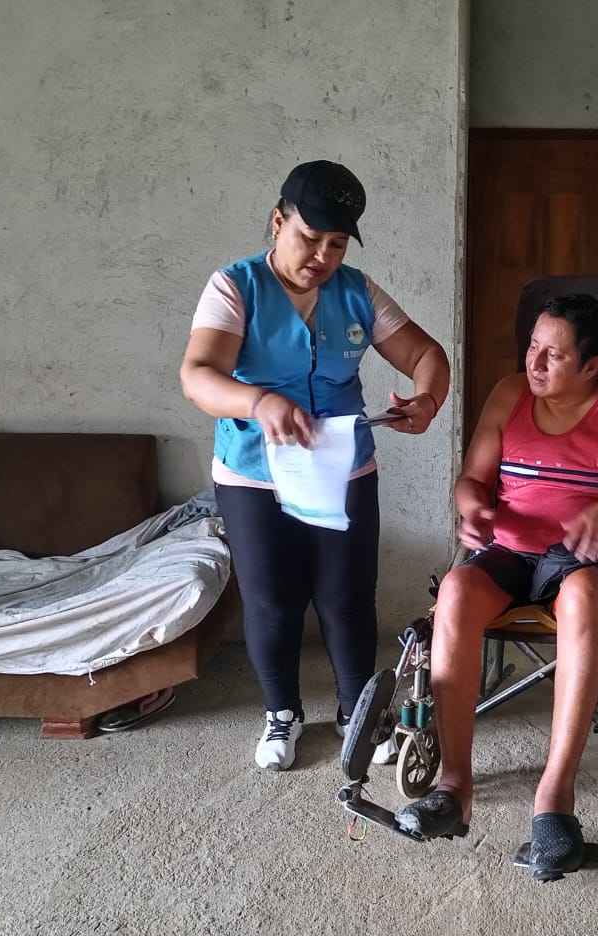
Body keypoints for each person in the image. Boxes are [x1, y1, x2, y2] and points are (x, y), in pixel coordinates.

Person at [395, 294, 598, 880]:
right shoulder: (508, 394)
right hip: (513, 551)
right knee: (455, 592)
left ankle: (554, 800)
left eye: (555, 354)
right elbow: (472, 480)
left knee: (580, 596)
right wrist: (473, 508)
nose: (536, 363)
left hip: (592, 559)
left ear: (592, 365)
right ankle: (453, 788)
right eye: (532, 347)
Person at [179, 159, 450, 771]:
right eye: (309, 238)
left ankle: (358, 713)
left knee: (346, 597)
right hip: (253, 473)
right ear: (278, 222)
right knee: (271, 599)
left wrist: (428, 400)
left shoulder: (356, 291)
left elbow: (427, 354)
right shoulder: (236, 287)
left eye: (337, 244)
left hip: (342, 470)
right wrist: (258, 401)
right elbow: (198, 375)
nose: (322, 256)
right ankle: (282, 713)